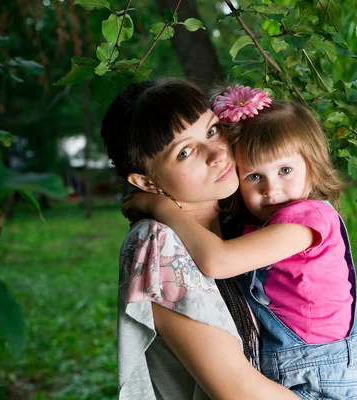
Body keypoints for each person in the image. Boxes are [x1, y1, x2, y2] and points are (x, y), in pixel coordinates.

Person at [124, 85, 357, 399]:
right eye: (254, 176)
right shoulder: (170, 242)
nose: (271, 189)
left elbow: (218, 261)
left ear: (312, 165)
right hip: (287, 376)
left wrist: (160, 206)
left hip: (322, 382)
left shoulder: (311, 218)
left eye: (285, 170)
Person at [101, 78, 299, 400]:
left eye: (211, 130)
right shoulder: (155, 245)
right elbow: (239, 392)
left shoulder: (238, 225)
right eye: (185, 152)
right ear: (146, 182)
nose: (217, 154)